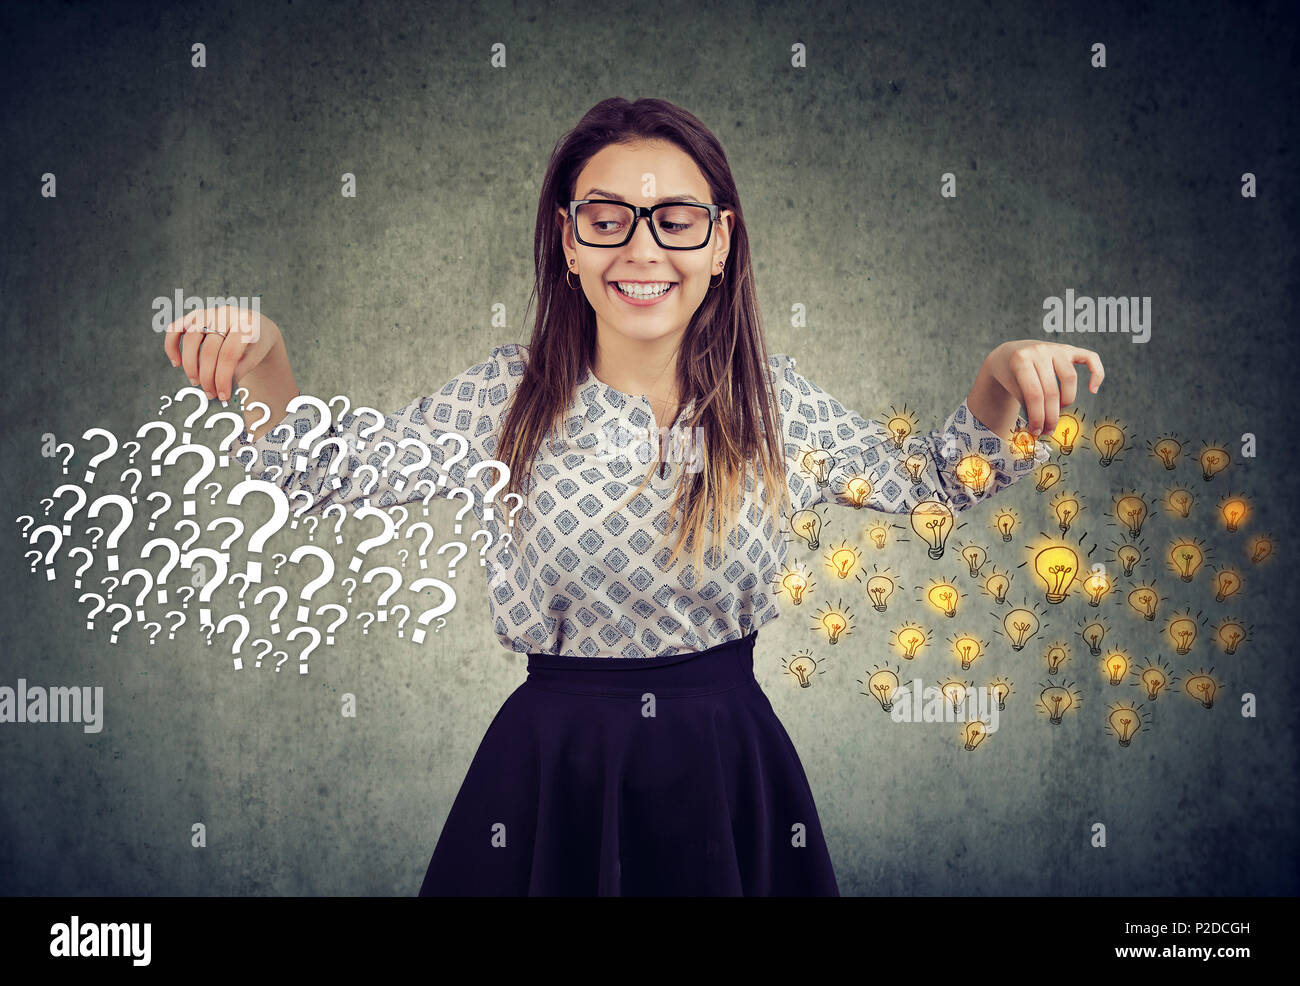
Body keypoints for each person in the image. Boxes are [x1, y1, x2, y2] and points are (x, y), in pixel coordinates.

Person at [163, 97, 1103, 896]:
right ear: (568, 242)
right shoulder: (506, 397)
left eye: (676, 219)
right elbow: (327, 471)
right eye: (606, 218)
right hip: (551, 774)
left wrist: (997, 379)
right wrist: (270, 362)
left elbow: (934, 476)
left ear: (722, 241)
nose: (642, 246)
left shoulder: (772, 405)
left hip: (730, 771)